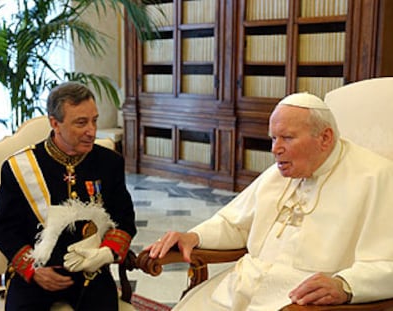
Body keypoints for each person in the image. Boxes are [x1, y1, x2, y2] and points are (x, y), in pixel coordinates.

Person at [146, 92, 393, 310]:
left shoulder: (377, 177)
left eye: (287, 137)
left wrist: (345, 285)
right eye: (273, 138)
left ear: (325, 137)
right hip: (244, 285)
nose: (275, 149)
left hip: (302, 298)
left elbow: (386, 263)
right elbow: (235, 224)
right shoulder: (280, 172)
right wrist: (195, 237)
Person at [0, 82, 136, 311]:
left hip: (91, 272)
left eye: (94, 120)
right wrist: (33, 270)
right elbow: (4, 228)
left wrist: (105, 253)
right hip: (37, 273)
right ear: (54, 123)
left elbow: (124, 219)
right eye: (81, 123)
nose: (92, 131)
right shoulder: (18, 167)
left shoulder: (110, 163)